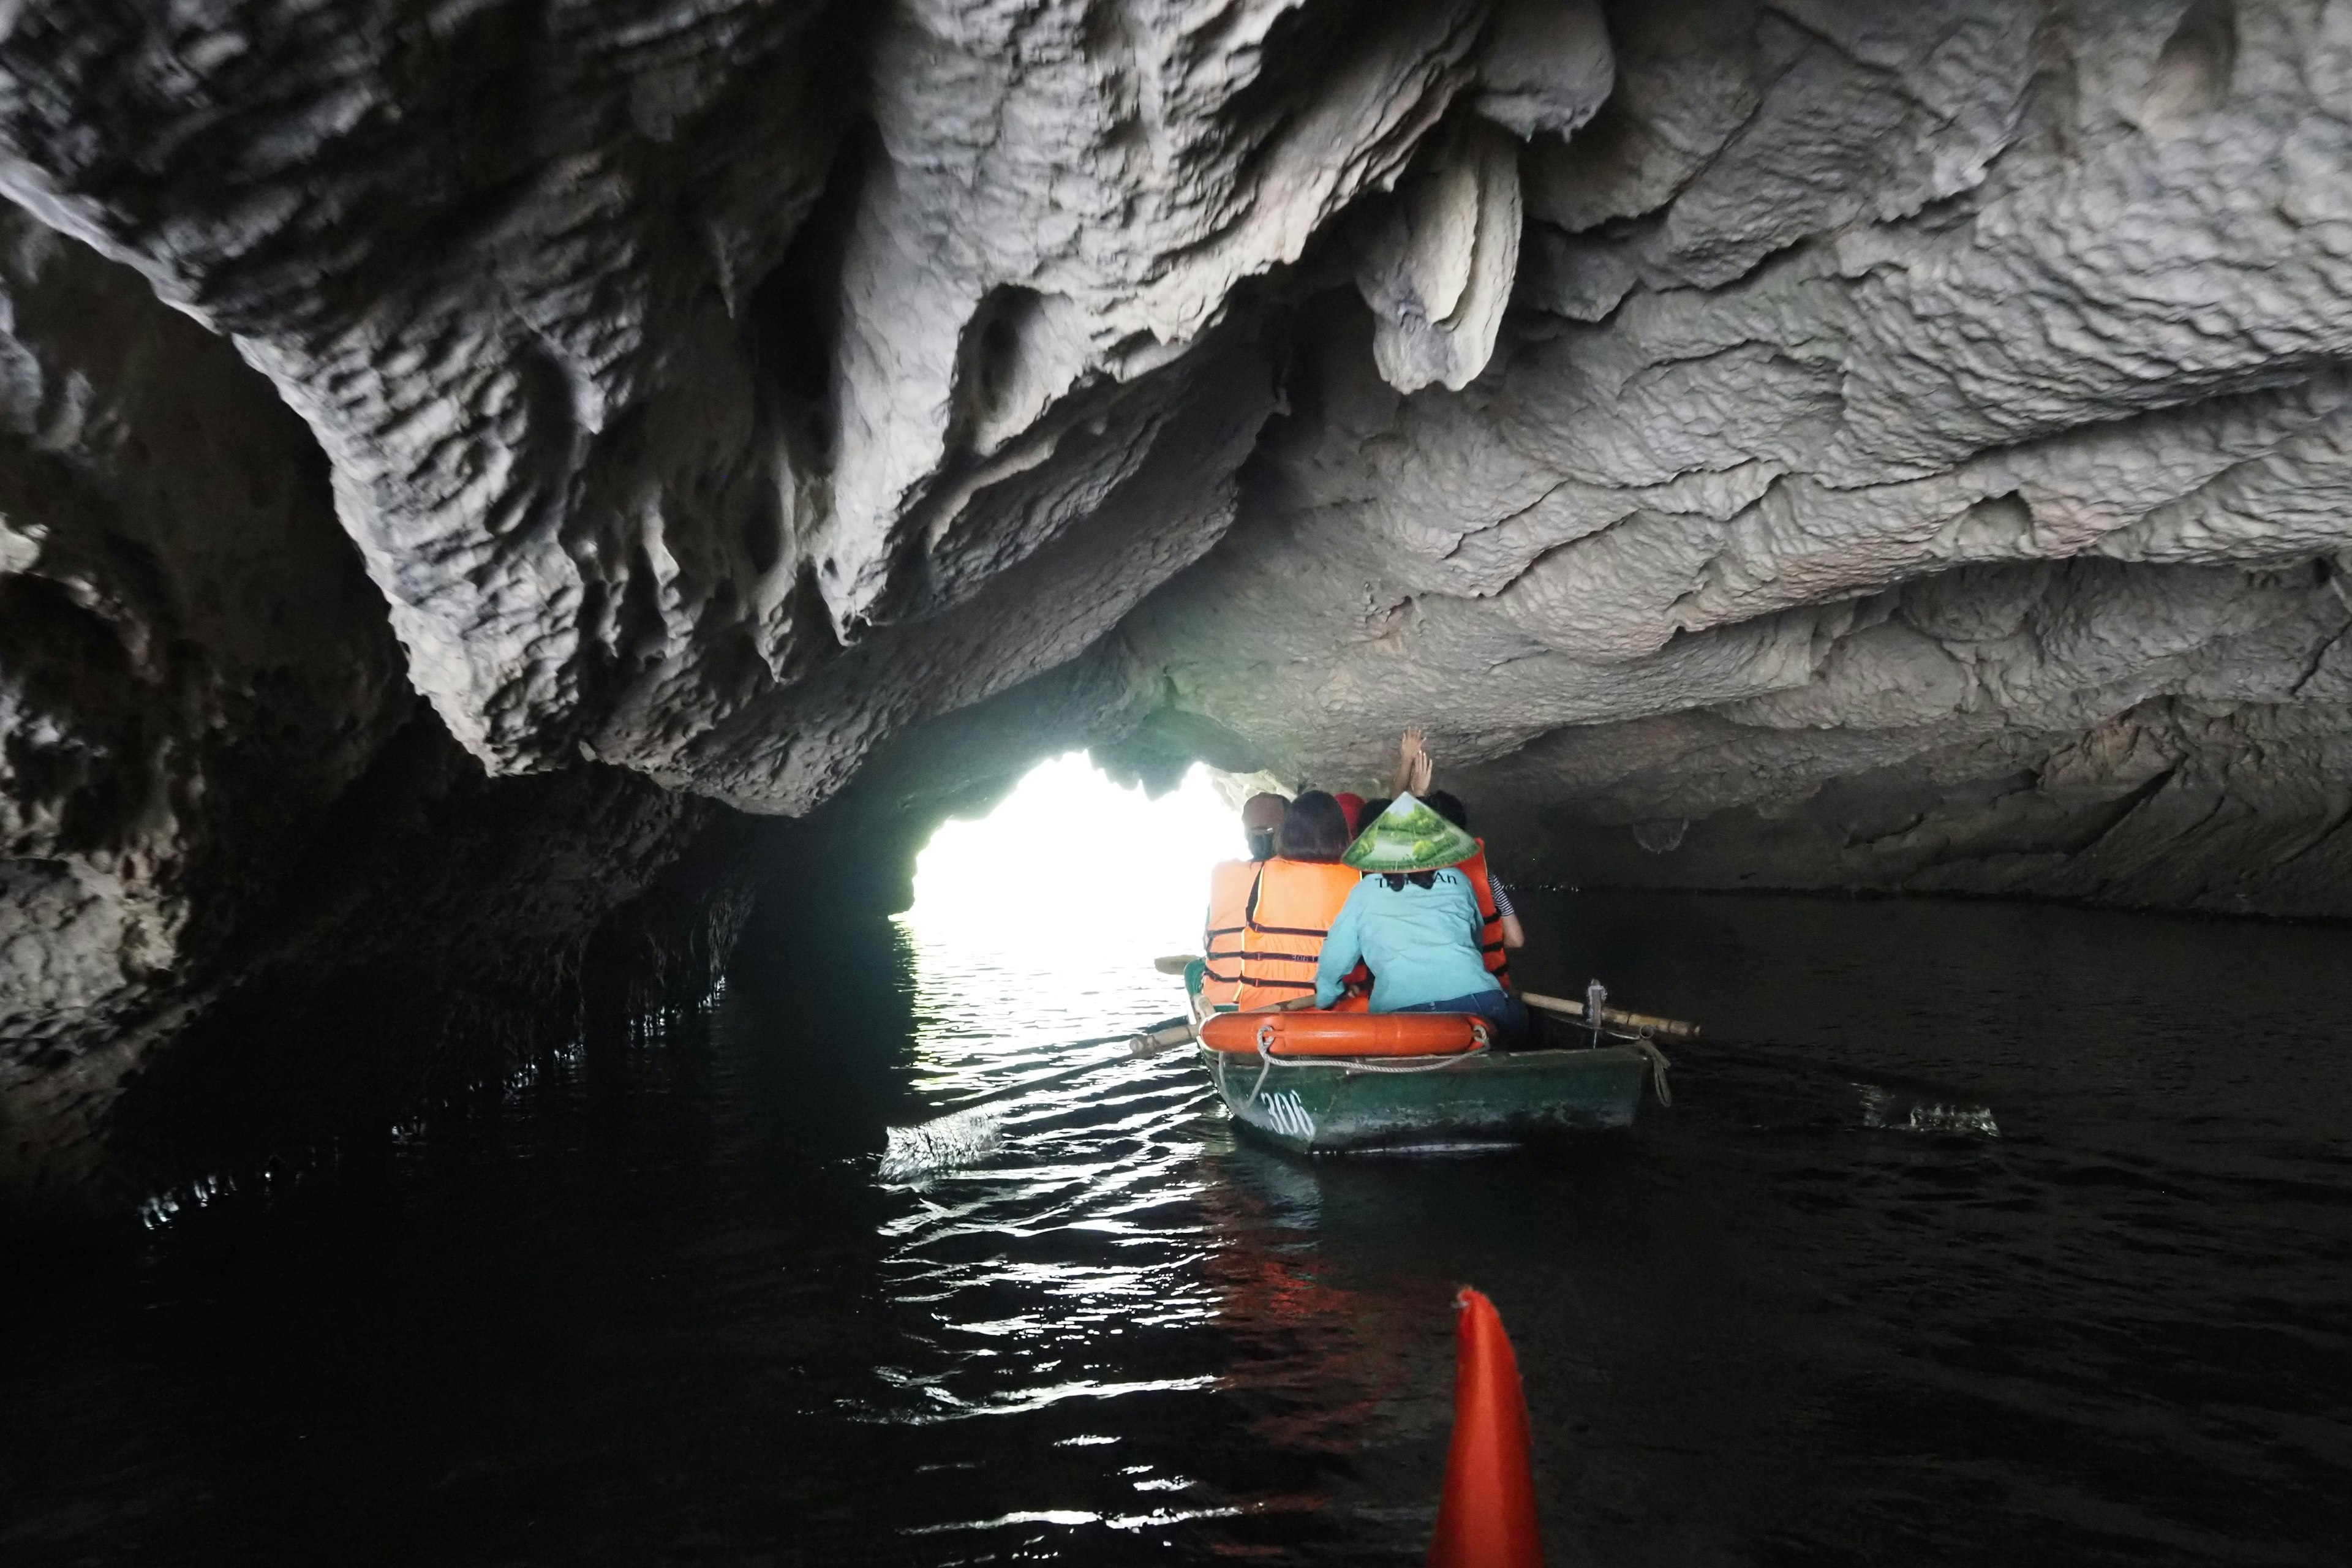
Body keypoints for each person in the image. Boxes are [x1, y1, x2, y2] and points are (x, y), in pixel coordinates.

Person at [1313, 794, 1529, 1046]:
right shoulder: (1459, 880)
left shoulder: (1365, 889)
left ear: (1382, 847)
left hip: (1402, 1015)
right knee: (1520, 1021)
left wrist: (1328, 996)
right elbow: (1475, 941)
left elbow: (1336, 956)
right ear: (1431, 844)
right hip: (1480, 1002)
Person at [1233, 791, 1363, 1010]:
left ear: (1288, 832)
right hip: (1328, 1009)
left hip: (1262, 1009)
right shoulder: (1355, 877)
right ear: (1340, 833)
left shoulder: (1266, 872)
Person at [1194, 792, 1290, 1011]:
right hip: (1285, 1004)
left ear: (1248, 836)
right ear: (1289, 833)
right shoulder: (1304, 877)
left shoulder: (1222, 874)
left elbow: (1207, 940)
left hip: (1221, 1005)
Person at [1427, 788, 1524, 980]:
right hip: (1495, 987)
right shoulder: (1488, 877)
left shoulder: (1419, 878)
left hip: (1449, 990)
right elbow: (1516, 939)